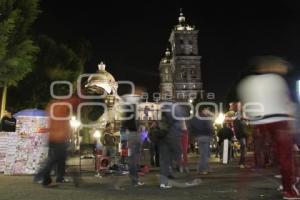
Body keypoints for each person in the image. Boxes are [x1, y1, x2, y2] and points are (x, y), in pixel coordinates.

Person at [237, 56, 299, 199]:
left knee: (268, 153)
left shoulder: (246, 83)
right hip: (279, 120)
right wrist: (292, 122)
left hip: (259, 123)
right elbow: (285, 101)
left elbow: (247, 108)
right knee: (285, 156)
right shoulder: (275, 79)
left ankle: (286, 183)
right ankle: (289, 189)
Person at [35, 95, 82, 187]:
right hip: (59, 137)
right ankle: (41, 174)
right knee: (56, 158)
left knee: (61, 159)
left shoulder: (52, 105)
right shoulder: (62, 104)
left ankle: (52, 178)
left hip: (53, 137)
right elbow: (74, 102)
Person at [189, 106, 214, 174]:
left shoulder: (196, 118)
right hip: (206, 137)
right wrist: (211, 135)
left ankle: (204, 168)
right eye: (207, 109)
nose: (208, 111)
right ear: (203, 110)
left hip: (199, 137)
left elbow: (192, 127)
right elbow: (209, 127)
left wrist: (193, 137)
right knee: (205, 154)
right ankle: (203, 169)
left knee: (204, 154)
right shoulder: (205, 117)